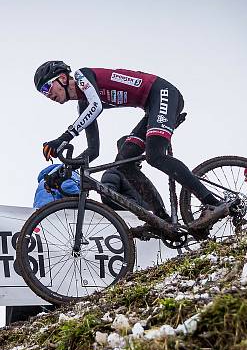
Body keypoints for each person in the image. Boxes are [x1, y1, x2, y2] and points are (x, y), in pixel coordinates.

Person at [34, 61, 229, 232]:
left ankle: (212, 203)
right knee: (123, 163)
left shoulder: (82, 76)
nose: (47, 95)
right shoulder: (84, 104)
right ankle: (161, 220)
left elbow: (97, 106)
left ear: (61, 78)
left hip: (161, 93)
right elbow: (93, 151)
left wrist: (64, 138)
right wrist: (66, 168)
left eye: (46, 88)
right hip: (150, 106)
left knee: (154, 155)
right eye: (43, 93)